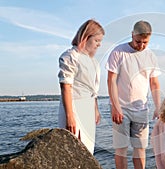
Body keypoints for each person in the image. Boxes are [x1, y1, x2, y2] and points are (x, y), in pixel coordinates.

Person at [106, 20, 161, 169]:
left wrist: (158, 106)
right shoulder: (118, 52)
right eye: (138, 41)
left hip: (142, 109)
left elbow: (154, 83)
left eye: (145, 42)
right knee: (121, 149)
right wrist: (116, 107)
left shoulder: (151, 56)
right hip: (121, 109)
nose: (141, 46)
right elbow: (111, 80)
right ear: (132, 35)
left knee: (140, 148)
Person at [58, 19, 105, 154]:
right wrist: (70, 116)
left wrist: (95, 109)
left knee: (87, 151)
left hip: (87, 109)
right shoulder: (71, 56)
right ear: (86, 37)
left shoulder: (93, 62)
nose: (99, 45)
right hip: (73, 107)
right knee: (73, 152)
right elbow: (66, 87)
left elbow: (93, 90)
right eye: (96, 41)